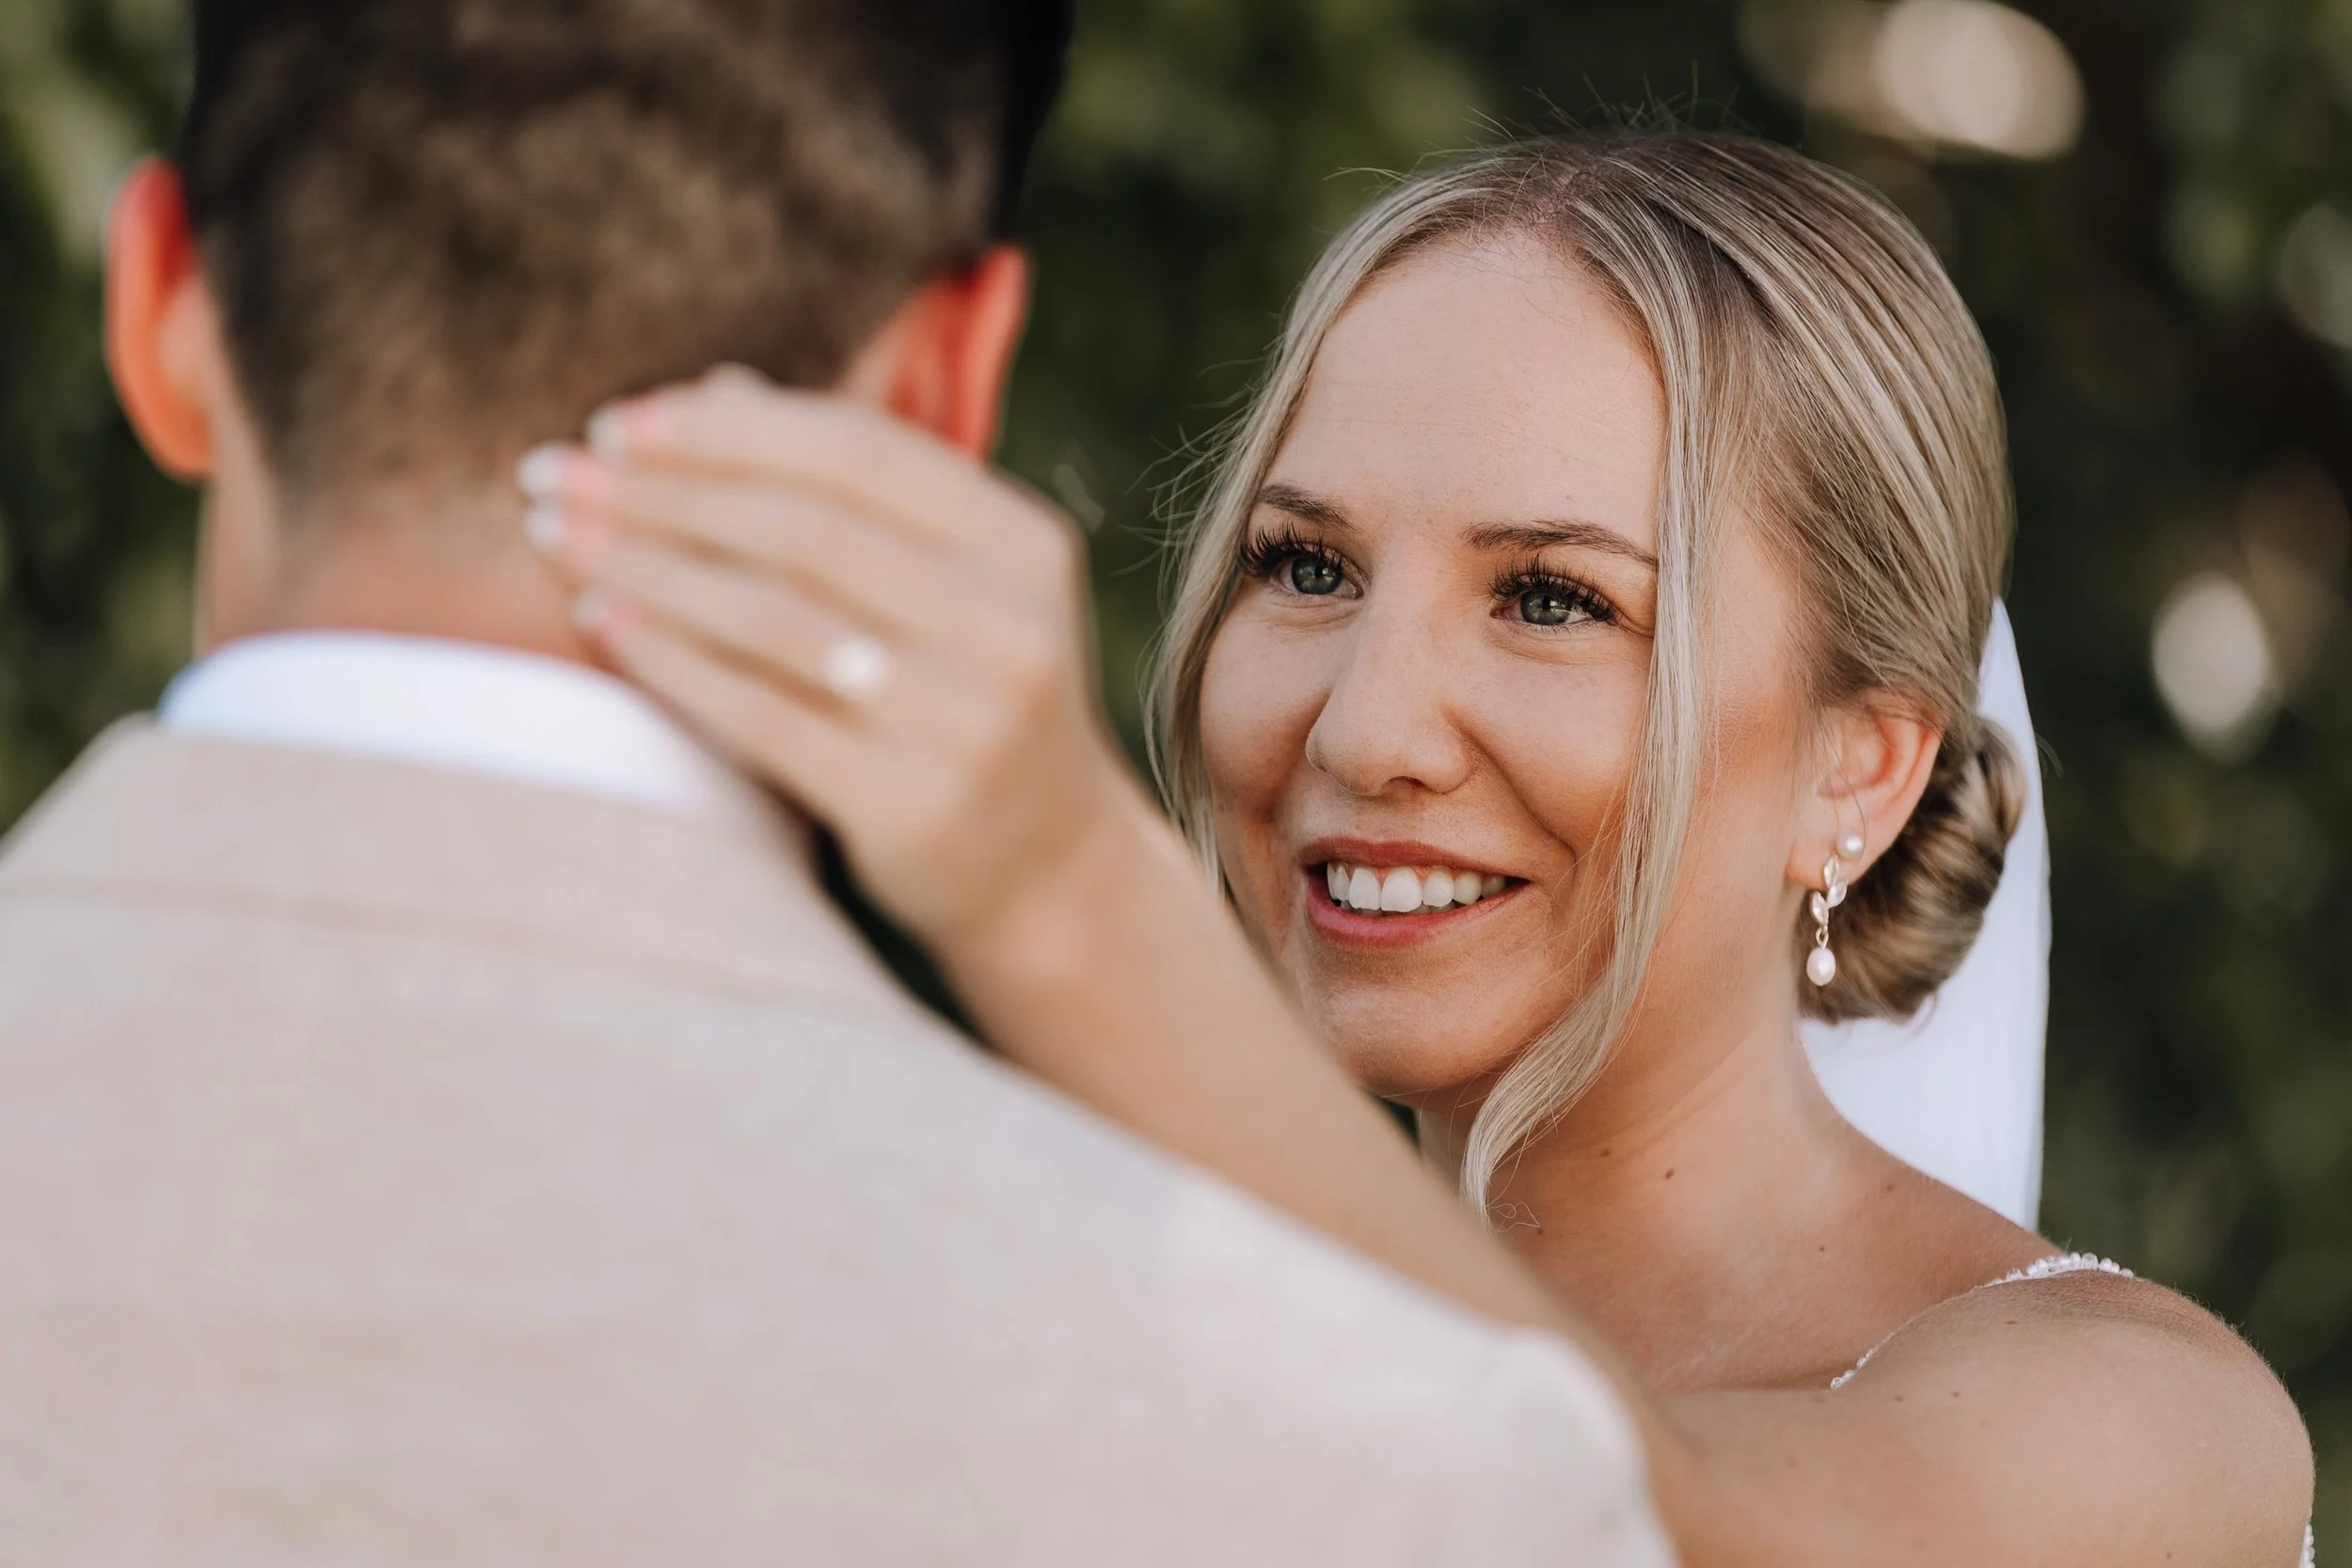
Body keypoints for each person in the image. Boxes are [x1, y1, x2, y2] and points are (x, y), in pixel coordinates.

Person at [0, 6, 1678, 1562]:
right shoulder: (1384, 1471)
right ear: (946, 378)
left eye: (1549, 597)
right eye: (1302, 564)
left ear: (156, 299)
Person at [535, 133, 2317, 1561]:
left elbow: (1644, 1526)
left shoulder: (2132, 1424)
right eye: (1305, 566)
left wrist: (1060, 884)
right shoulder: (1036, 1354)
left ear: (1860, 768)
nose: (1365, 728)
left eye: (1552, 599)